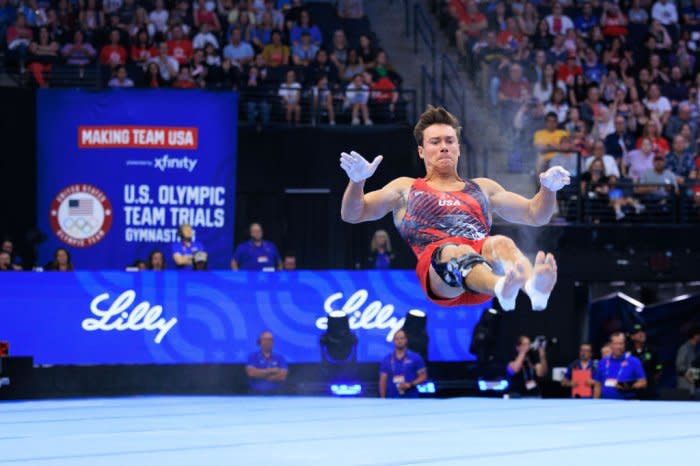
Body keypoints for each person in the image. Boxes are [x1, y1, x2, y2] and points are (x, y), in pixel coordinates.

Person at [340, 106, 569, 312]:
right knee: (454, 250)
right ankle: (501, 288)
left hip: (483, 272)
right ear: (421, 151)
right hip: (440, 274)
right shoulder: (406, 188)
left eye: (450, 141)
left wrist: (548, 189)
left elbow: (535, 214)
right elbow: (353, 214)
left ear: (459, 148)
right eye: (435, 142)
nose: (444, 147)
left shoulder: (483, 188)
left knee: (501, 243)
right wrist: (357, 181)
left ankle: (533, 289)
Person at [594, 332, 647, 400]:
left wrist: (628, 387)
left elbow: (643, 383)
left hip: (626, 404)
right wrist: (595, 402)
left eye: (621, 343)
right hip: (605, 404)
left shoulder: (634, 361)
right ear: (610, 345)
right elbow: (598, 385)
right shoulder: (603, 362)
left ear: (624, 345)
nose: (618, 346)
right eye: (616, 343)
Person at [378, 330, 427, 398]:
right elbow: (382, 381)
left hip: (411, 399)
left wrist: (410, 384)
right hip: (391, 400)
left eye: (402, 338)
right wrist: (383, 399)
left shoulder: (415, 357)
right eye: (397, 339)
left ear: (406, 340)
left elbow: (423, 377)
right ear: (393, 341)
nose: (399, 341)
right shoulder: (387, 359)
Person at [627, 324, 662, 400]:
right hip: (631, 391)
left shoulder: (652, 350)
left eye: (642, 332)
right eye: (637, 333)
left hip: (649, 390)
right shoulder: (627, 352)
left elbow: (658, 370)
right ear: (632, 336)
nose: (641, 334)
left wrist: (650, 382)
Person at [676, 326, 700, 398]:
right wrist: (691, 376)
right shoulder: (685, 348)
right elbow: (679, 366)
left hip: (694, 388)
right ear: (695, 336)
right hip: (686, 387)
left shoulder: (696, 349)